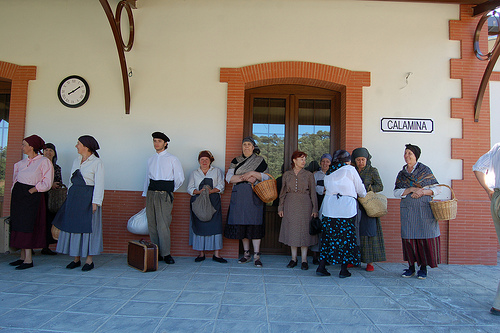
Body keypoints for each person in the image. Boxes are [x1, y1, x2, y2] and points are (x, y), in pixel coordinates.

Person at [53, 135, 104, 271]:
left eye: (78, 144)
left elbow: (99, 184)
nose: (76, 146)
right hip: (74, 198)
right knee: (73, 226)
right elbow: (71, 180)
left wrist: (95, 202)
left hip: (88, 199)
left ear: (86, 147)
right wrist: (69, 197)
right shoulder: (76, 161)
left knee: (87, 228)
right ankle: (76, 259)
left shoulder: (97, 162)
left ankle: (89, 260)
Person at [316, 149, 366, 278]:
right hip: (346, 209)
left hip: (329, 209)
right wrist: (363, 194)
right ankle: (343, 270)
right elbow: (360, 189)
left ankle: (321, 267)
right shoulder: (350, 170)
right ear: (346, 160)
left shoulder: (329, 172)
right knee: (346, 239)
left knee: (327, 238)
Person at [394, 143, 441, 280]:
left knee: (423, 240)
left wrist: (422, 192)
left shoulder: (425, 171)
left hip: (424, 211)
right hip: (408, 211)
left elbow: (438, 189)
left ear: (416, 156)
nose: (407, 156)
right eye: (406, 153)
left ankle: (423, 268)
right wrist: (410, 190)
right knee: (409, 239)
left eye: (410, 153)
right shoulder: (402, 174)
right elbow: (396, 192)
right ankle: (411, 267)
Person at [9, 135, 54, 270]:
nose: (22, 147)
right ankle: (22, 257)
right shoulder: (20, 164)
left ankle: (28, 259)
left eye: (24, 144)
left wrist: (33, 190)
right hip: (19, 197)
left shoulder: (44, 161)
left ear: (32, 147)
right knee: (18, 224)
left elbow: (47, 181)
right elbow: (15, 180)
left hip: (31, 197)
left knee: (27, 225)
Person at [224, 137, 269, 267]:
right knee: (242, 223)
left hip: (255, 195)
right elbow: (229, 178)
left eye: (249, 144)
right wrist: (244, 177)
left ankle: (257, 255)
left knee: (255, 223)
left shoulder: (260, 161)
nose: (246, 147)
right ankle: (246, 254)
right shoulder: (236, 160)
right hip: (239, 196)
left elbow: (266, 176)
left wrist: (253, 174)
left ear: (253, 147)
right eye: (244, 144)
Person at [143, 132, 184, 264]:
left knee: (163, 224)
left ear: (165, 143)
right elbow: (147, 178)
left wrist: (168, 191)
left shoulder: (172, 159)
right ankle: (156, 252)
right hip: (151, 193)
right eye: (155, 141)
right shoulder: (150, 159)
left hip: (164, 194)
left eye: (159, 141)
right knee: (152, 224)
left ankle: (166, 253)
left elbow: (179, 178)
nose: (156, 143)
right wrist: (146, 194)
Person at [278, 151, 318, 270]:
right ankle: (293, 259)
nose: (304, 161)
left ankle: (304, 260)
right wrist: (281, 207)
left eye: (305, 159)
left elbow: (313, 193)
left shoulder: (309, 175)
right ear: (294, 160)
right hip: (290, 204)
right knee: (292, 231)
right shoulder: (287, 174)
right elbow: (282, 192)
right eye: (301, 159)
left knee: (304, 232)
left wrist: (315, 209)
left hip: (305, 205)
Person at [473, 143, 500, 316]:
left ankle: (498, 303)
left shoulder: (497, 147)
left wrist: (488, 191)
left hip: (496, 198)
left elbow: (478, 168)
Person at [187, 150, 227, 263]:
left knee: (215, 226)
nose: (204, 162)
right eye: (202, 160)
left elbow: (221, 186)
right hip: (198, 203)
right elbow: (189, 188)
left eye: (206, 159)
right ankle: (201, 254)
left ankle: (217, 255)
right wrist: (199, 192)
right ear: (199, 161)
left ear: (210, 161)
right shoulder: (194, 173)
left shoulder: (217, 171)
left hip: (214, 202)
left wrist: (210, 191)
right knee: (199, 226)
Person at [352, 147, 386, 272]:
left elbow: (380, 186)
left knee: (368, 233)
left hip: (368, 206)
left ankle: (369, 263)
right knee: (355, 232)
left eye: (363, 159)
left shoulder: (372, 171)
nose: (361, 162)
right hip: (354, 205)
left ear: (367, 160)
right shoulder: (352, 170)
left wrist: (368, 189)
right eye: (358, 160)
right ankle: (353, 260)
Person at [41, 143, 63, 255]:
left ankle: (46, 246)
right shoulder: (37, 165)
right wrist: (49, 184)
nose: (48, 153)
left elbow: (59, 182)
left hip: (51, 200)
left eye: (51, 150)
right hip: (39, 196)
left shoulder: (56, 167)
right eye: (46, 150)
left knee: (48, 221)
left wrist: (54, 185)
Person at [310, 153, 332, 264]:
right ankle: (315, 255)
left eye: (327, 161)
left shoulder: (333, 174)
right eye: (323, 161)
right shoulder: (315, 175)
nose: (325, 163)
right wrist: (322, 190)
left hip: (330, 204)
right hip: (317, 202)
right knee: (316, 228)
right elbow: (312, 189)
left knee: (327, 230)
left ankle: (326, 256)